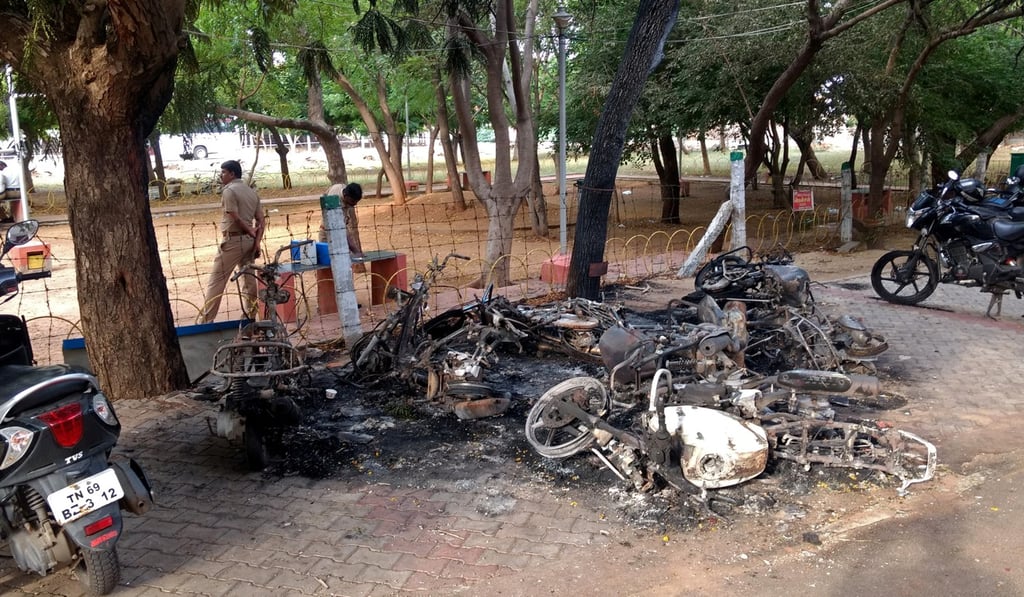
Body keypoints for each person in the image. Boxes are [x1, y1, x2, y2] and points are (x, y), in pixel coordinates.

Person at [200, 160, 265, 322]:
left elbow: (233, 216)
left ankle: (205, 322)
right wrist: (257, 241)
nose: (221, 175)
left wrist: (249, 230)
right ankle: (249, 318)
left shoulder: (229, 191)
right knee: (249, 280)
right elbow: (261, 220)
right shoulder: (251, 192)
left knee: (217, 281)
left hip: (232, 241)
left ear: (232, 174)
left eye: (223, 172)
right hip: (249, 242)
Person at [322, 181, 366, 272]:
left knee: (343, 262)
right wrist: (355, 250)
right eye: (353, 201)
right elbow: (342, 231)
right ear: (346, 196)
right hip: (328, 232)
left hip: (339, 230)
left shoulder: (340, 186)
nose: (355, 204)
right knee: (328, 265)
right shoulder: (335, 202)